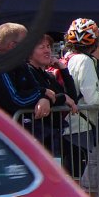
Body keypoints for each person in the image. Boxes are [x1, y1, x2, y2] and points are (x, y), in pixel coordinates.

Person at [63, 19, 99, 197]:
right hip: (83, 128)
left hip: (71, 127)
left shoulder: (69, 57)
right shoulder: (85, 61)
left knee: (74, 182)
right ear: (96, 42)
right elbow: (92, 98)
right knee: (86, 188)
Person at [27, 34, 79, 171]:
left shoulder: (48, 75)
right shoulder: (28, 72)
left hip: (51, 136)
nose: (47, 50)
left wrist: (63, 69)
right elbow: (40, 95)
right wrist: (61, 98)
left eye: (48, 47)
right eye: (41, 47)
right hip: (37, 136)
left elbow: (72, 97)